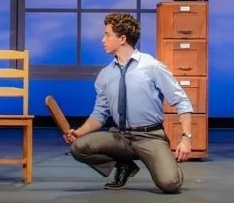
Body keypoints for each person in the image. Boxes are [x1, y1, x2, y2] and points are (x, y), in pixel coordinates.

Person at [63, 12, 193, 193]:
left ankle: (162, 162)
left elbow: (182, 102)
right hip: (120, 137)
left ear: (122, 38)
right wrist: (78, 132)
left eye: (107, 34)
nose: (103, 39)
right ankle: (124, 165)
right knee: (79, 147)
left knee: (169, 184)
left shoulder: (152, 66)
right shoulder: (105, 75)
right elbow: (99, 115)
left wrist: (186, 138)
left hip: (149, 136)